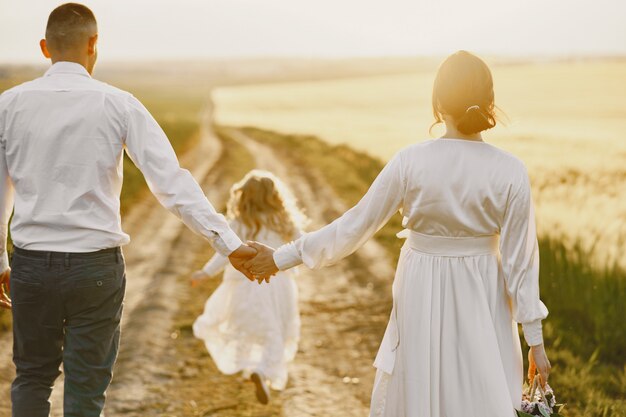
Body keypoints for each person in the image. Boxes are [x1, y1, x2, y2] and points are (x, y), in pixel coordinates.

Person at [247, 51, 552, 417]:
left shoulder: (410, 161)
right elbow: (522, 265)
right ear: (489, 100)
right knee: (481, 388)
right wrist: (535, 341)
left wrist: (281, 257)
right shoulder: (511, 171)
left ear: (438, 102)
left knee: (418, 386)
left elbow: (353, 226)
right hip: (483, 288)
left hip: (420, 284)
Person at [0, 3, 255, 416]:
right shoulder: (119, 104)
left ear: (45, 48)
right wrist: (228, 244)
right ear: (94, 45)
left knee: (31, 377)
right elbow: (171, 183)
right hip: (95, 270)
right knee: (85, 387)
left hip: (32, 267)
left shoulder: (8, 106)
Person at [191, 170, 305, 405]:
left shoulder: (239, 223)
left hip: (246, 283)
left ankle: (249, 367)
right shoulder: (285, 221)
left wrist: (205, 272)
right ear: (276, 196)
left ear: (244, 197)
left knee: (247, 328)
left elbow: (224, 252)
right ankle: (262, 370)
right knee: (276, 331)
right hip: (279, 284)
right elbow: (303, 246)